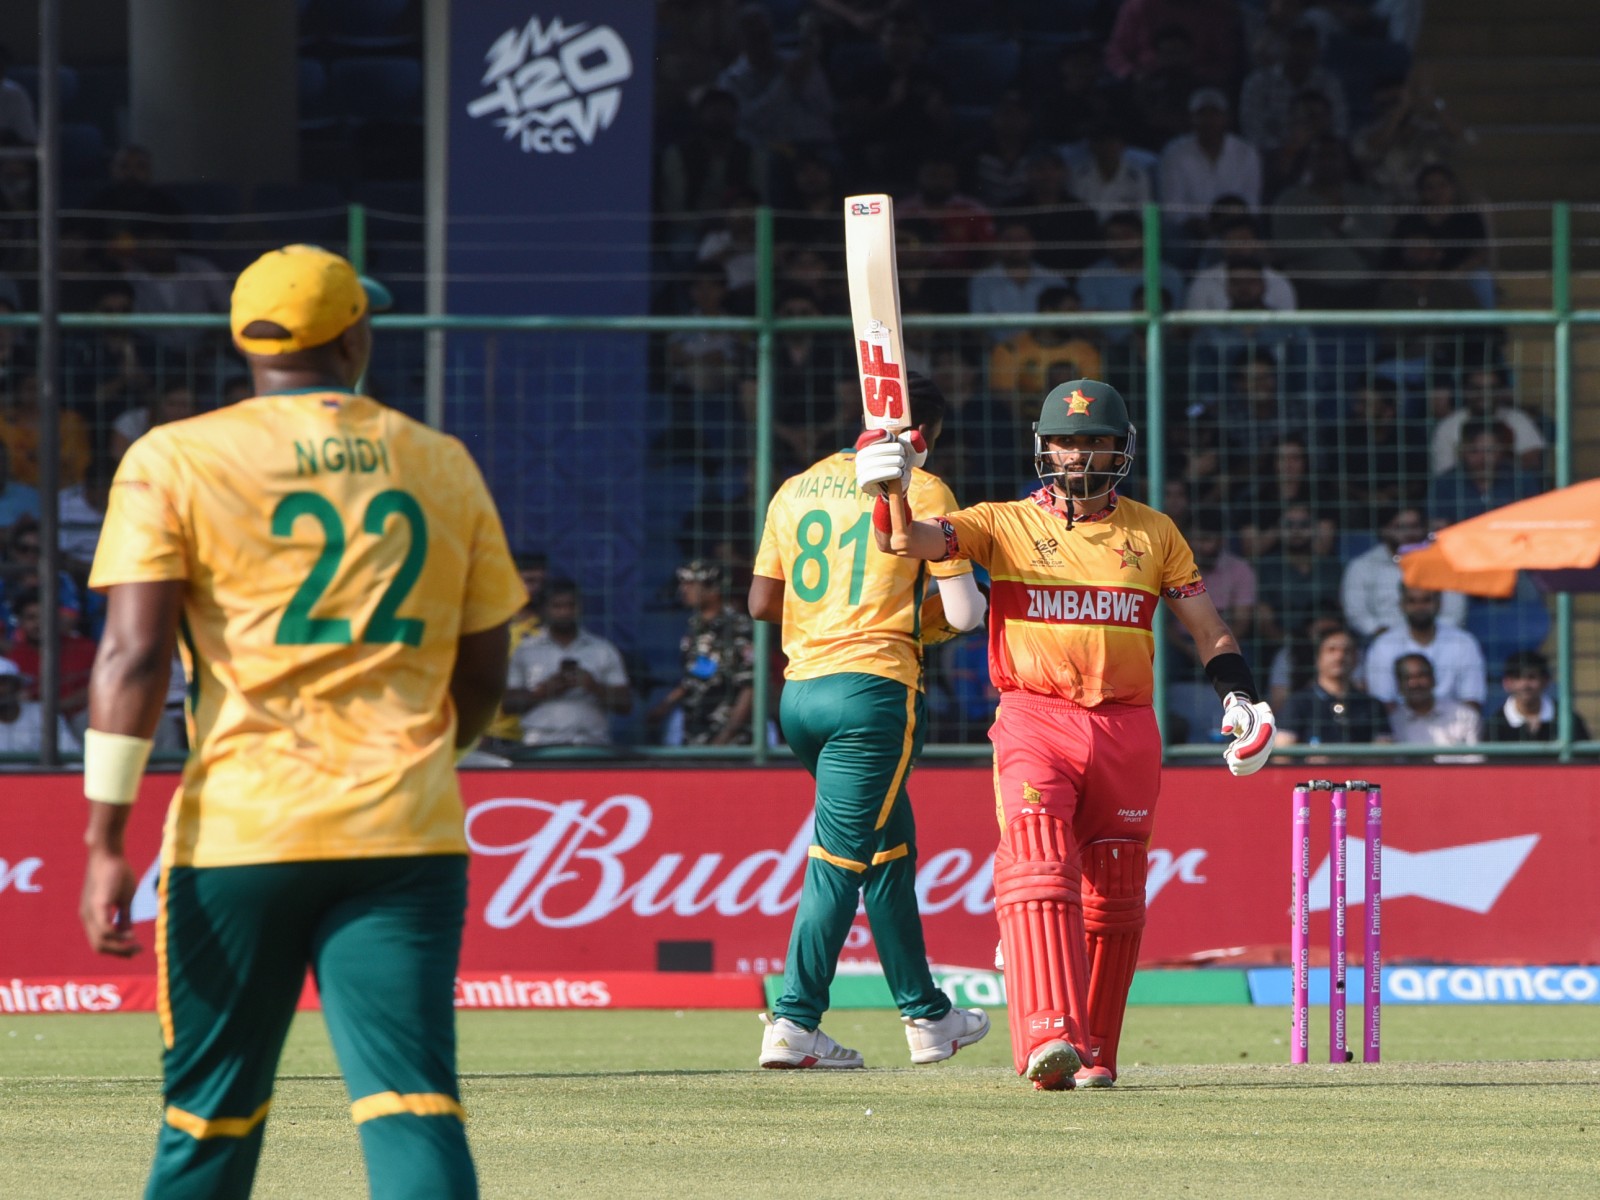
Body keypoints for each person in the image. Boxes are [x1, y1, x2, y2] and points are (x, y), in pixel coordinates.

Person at [77, 243, 525, 1198]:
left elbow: (130, 658)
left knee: (209, 1118)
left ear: (246, 342)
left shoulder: (173, 457)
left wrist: (104, 836)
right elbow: (487, 663)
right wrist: (438, 750)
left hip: (242, 832)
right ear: (354, 337)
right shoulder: (439, 461)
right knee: (413, 1105)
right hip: (404, 828)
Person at [854, 379, 1274, 1090]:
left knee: (1116, 895)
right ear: (1044, 449)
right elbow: (907, 540)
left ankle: (1096, 1052)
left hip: (1127, 729)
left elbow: (1210, 630)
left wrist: (1241, 699)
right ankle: (1049, 1036)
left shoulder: (1154, 533)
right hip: (1035, 717)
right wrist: (889, 488)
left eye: (1094, 442)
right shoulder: (1003, 523)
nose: (1078, 455)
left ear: (1120, 448)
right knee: (1040, 864)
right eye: (1065, 442)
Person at [749, 372, 990, 1071]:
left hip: (800, 696)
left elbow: (762, 601)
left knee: (888, 852)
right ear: (927, 434)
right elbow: (964, 614)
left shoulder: (795, 487)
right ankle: (794, 1023)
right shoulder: (925, 490)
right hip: (875, 692)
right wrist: (923, 621)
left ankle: (928, 1017)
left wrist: (828, 616)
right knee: (838, 862)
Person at [501, 577, 632, 748]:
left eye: (571, 606)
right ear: (544, 610)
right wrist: (544, 691)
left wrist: (593, 687)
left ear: (580, 608)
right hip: (539, 744)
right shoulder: (526, 650)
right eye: (557, 606)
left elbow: (625, 705)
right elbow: (508, 705)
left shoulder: (602, 650)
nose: (565, 612)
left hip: (591, 744)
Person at [649, 558, 755, 746]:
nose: (683, 589)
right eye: (682, 583)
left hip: (730, 740)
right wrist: (665, 706)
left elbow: (751, 687)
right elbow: (695, 675)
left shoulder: (738, 628)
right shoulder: (695, 626)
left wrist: (725, 737)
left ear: (714, 589)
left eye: (691, 584)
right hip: (694, 732)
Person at [1341, 504, 1466, 638]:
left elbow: (1454, 613)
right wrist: (1383, 635)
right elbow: (1356, 613)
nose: (1410, 533)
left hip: (1437, 640)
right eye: (1401, 527)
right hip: (1381, 640)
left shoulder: (1442, 564)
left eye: (1415, 526)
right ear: (1384, 530)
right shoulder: (1362, 566)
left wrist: (1428, 636)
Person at [1363, 585, 1487, 711]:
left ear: (1439, 603)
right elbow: (1383, 703)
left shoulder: (1463, 643)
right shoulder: (1383, 646)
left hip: (1454, 721)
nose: (1419, 607)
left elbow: (1472, 700)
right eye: (1412, 601)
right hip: (1400, 721)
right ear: (1401, 605)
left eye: (1426, 600)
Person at [1275, 624, 1391, 747]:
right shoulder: (1298, 703)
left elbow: (1384, 749)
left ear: (1356, 658)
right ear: (1318, 658)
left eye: (1347, 651)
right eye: (1331, 650)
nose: (1339, 656)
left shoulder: (1372, 705)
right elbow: (1282, 751)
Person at [1484, 650, 1591, 743]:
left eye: (1531, 677)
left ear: (1546, 681)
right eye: (1517, 677)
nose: (1525, 685)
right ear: (1506, 683)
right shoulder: (1495, 725)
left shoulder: (1569, 719)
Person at [1388, 653, 1482, 757]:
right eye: (1407, 678)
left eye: (1421, 676)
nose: (1415, 683)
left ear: (1433, 679)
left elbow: (1475, 760)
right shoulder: (1393, 722)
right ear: (1399, 685)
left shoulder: (1465, 716)